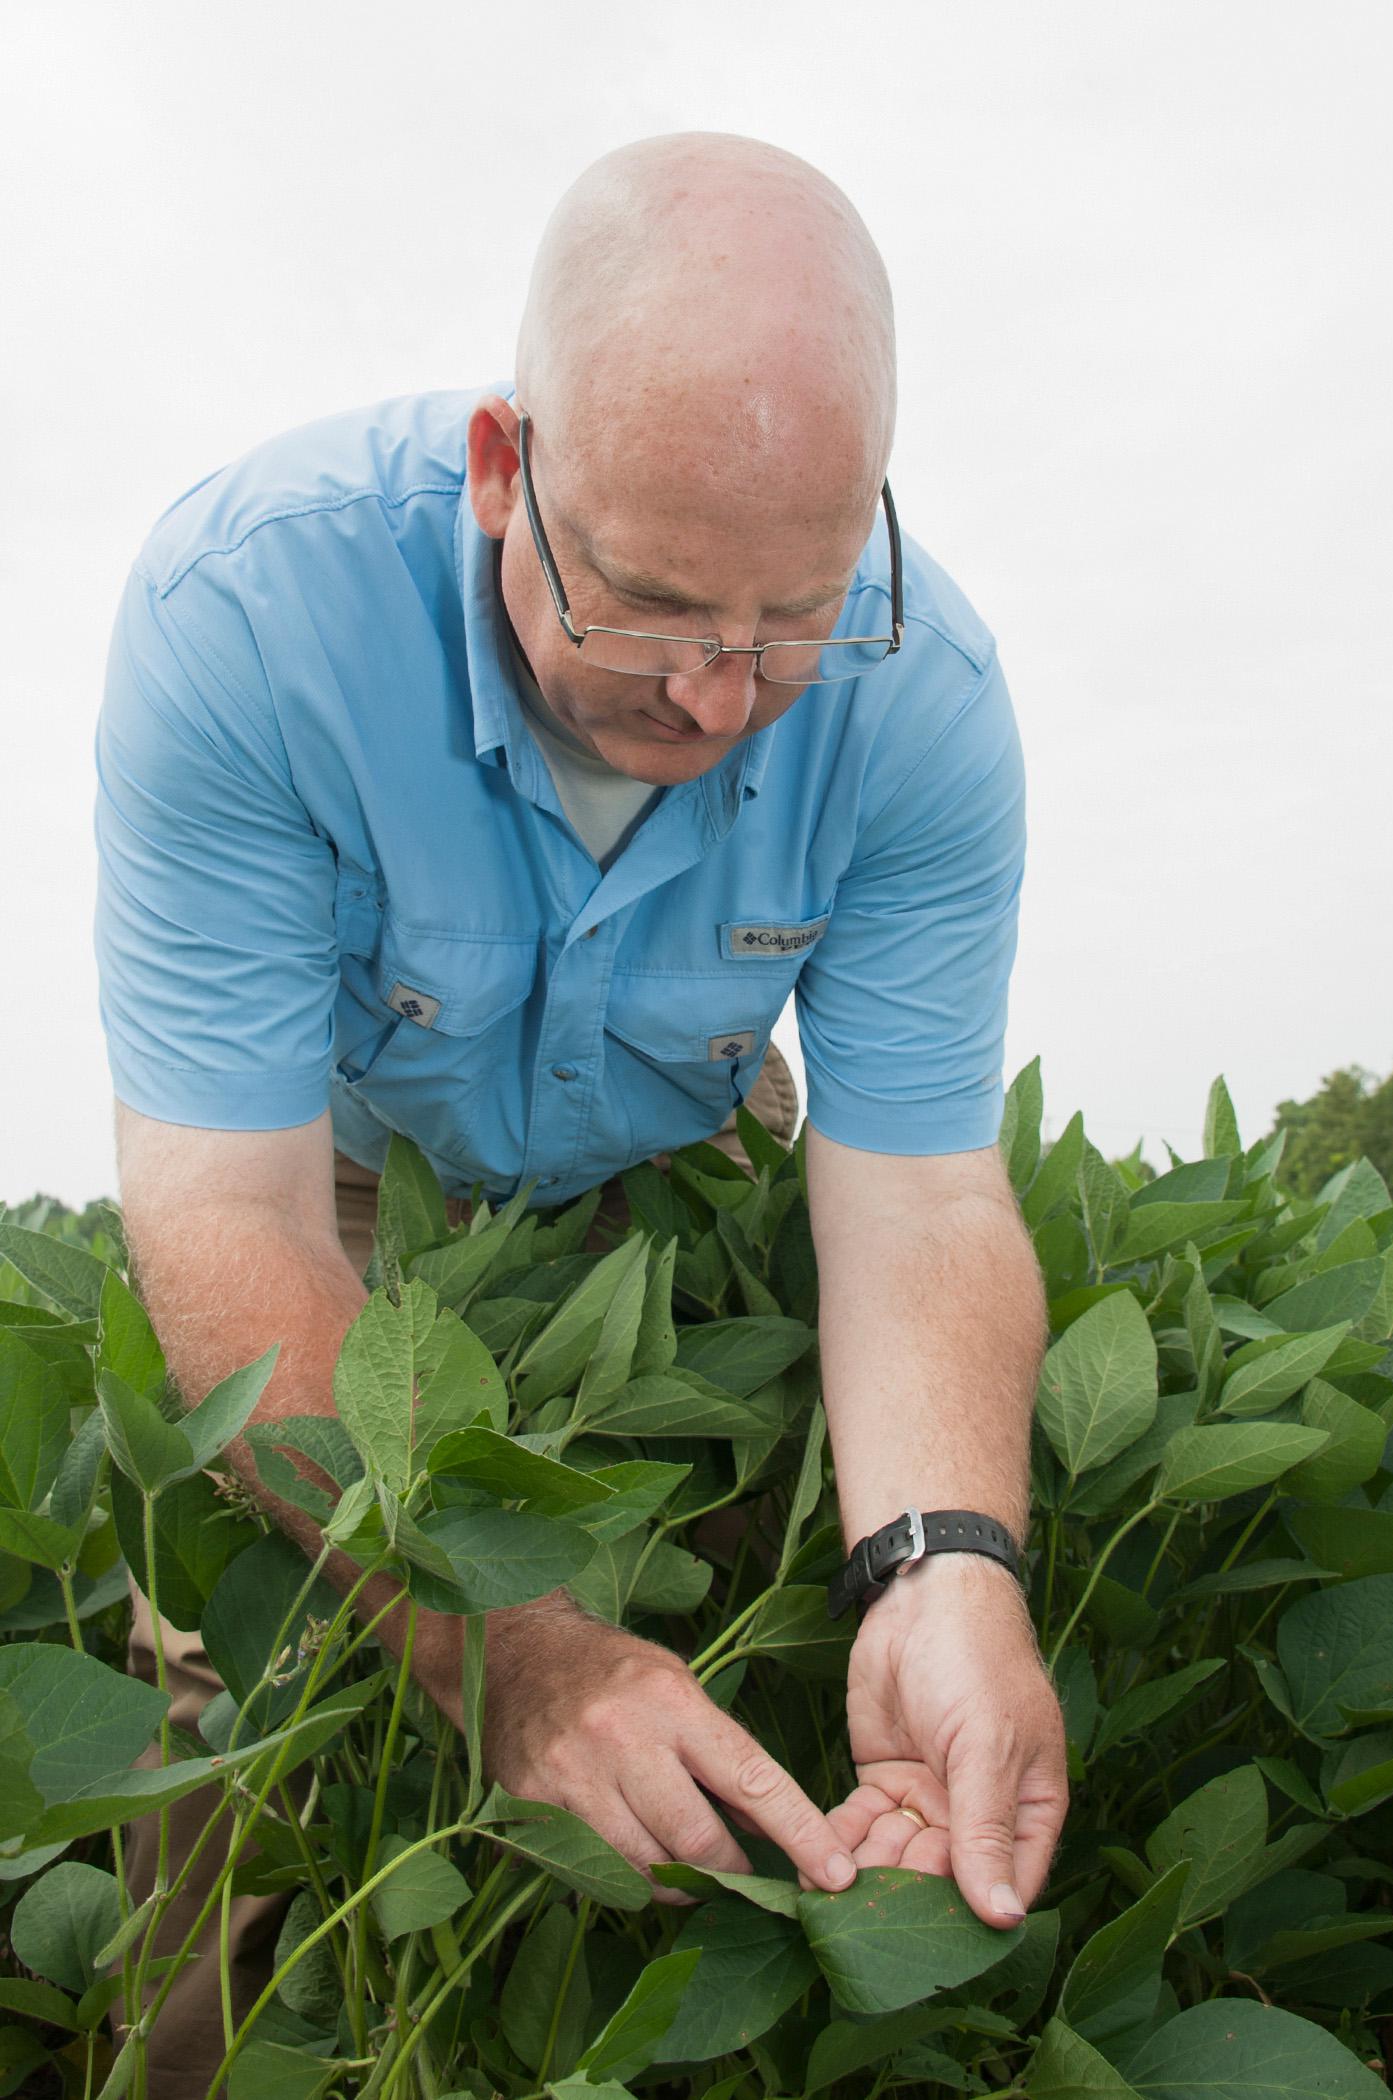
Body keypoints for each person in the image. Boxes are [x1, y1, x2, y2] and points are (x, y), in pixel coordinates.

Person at [91, 133, 1060, 2090]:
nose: (720, 700)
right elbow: (225, 1210)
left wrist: (950, 1561)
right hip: (344, 1193)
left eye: (794, 618)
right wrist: (498, 1649)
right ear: (499, 470)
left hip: (667, 1153)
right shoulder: (247, 622)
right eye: (652, 610)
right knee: (218, 1677)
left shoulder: (924, 693)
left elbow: (922, 1205)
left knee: (719, 1575)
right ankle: (175, 2063)